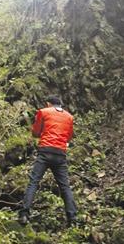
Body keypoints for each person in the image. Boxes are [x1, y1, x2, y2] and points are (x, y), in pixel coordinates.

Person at [19, 94, 77, 227]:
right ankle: (72, 218)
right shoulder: (69, 117)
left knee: (33, 182)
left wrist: (38, 131)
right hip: (60, 154)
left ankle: (24, 214)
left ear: (49, 104)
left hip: (45, 151)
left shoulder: (43, 112)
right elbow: (68, 138)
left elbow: (36, 132)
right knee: (65, 186)